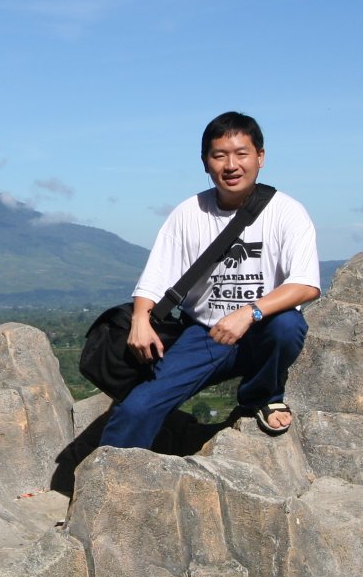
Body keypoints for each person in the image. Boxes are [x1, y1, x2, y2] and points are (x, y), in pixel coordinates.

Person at [99, 111, 320, 450]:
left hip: (261, 328)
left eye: (241, 153)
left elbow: (306, 285)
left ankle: (261, 395)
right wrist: (141, 318)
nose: (231, 165)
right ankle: (107, 482)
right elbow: (155, 277)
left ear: (260, 157)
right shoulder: (190, 213)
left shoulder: (286, 211)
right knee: (137, 408)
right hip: (204, 334)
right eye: (219, 155)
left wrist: (249, 312)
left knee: (287, 326)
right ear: (206, 163)